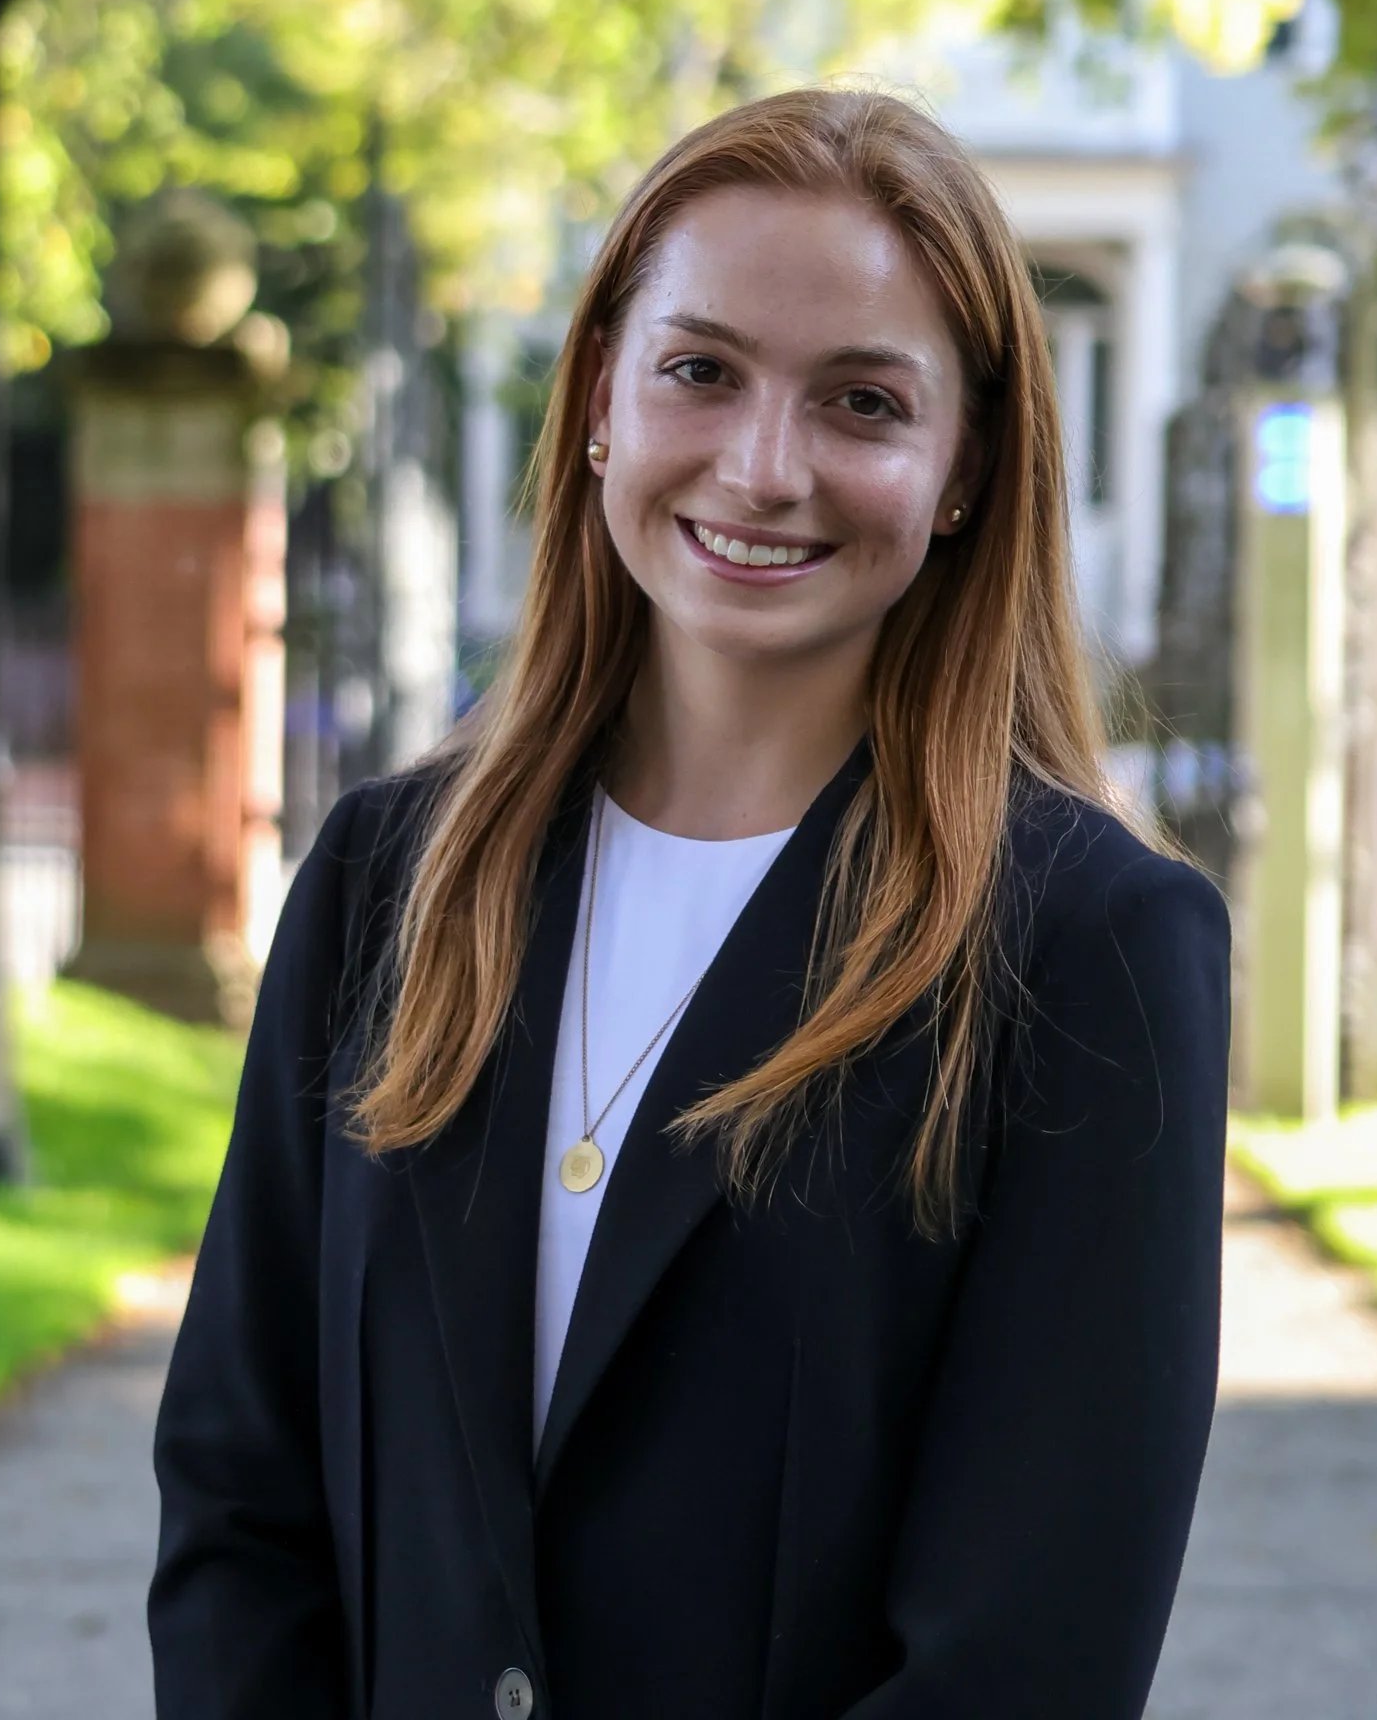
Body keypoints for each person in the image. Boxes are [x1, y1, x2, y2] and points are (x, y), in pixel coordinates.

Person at [150, 88, 1230, 1720]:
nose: (763, 467)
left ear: (962, 470)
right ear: (601, 394)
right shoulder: (384, 881)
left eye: (862, 402)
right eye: (700, 371)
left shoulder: (1088, 950)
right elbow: (241, 1507)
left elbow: (1023, 1662)